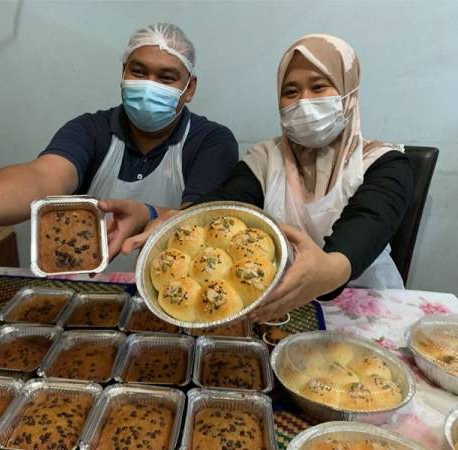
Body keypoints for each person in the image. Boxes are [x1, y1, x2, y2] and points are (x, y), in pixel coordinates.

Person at [100, 33, 413, 321]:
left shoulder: (384, 163)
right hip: (275, 304)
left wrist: (327, 271)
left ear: (348, 92)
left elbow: (364, 228)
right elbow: (224, 203)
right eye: (291, 91)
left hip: (361, 309)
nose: (304, 101)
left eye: (318, 87)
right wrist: (170, 220)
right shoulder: (265, 158)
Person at [0, 23, 238, 271]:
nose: (149, 86)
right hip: (86, 286)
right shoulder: (90, 130)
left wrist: (146, 214)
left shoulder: (211, 141)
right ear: (123, 73)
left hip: (169, 293)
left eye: (166, 78)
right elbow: (43, 177)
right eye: (138, 72)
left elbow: (200, 218)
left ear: (189, 88)